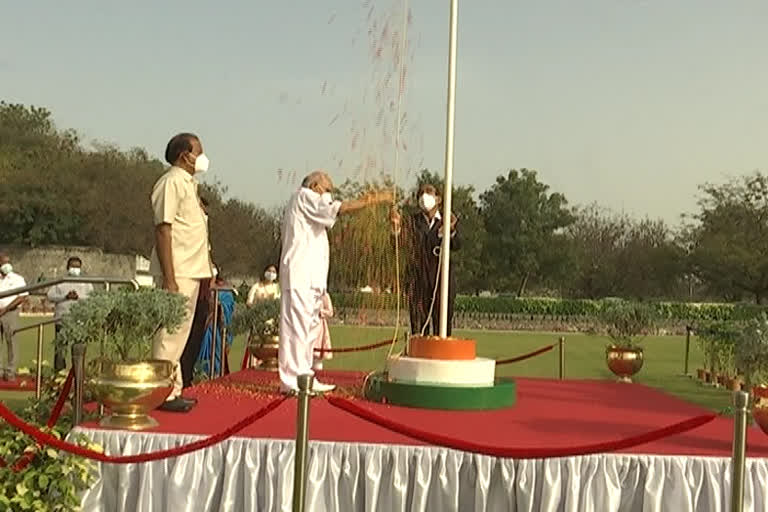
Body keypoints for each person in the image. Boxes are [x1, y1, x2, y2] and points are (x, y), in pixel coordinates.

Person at [279, 170, 391, 393]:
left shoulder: (312, 211)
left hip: (312, 278)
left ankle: (306, 376)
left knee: (310, 329)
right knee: (297, 329)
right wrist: (373, 199)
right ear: (314, 186)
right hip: (300, 275)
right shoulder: (304, 196)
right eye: (327, 189)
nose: (329, 194)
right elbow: (340, 208)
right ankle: (292, 380)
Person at [149, 132, 214, 412]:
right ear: (183, 155)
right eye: (198, 151)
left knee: (180, 335)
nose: (201, 157)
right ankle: (160, 391)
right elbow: (163, 229)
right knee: (169, 334)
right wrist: (170, 277)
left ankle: (172, 389)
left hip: (192, 268)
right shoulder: (171, 182)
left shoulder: (189, 184)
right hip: (178, 269)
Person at [391, 183, 460, 336]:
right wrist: (396, 228)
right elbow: (399, 245)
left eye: (429, 192)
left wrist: (450, 231)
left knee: (442, 328)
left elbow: (457, 245)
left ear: (439, 199)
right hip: (418, 281)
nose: (424, 196)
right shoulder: (411, 222)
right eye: (421, 193)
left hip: (441, 281)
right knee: (418, 327)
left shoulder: (447, 221)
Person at [47, 257, 94, 371]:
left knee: (78, 349)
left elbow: (92, 298)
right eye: (73, 266)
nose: (75, 269)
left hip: (79, 321)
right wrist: (65, 297)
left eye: (77, 267)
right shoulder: (60, 282)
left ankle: (77, 373)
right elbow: (50, 296)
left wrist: (78, 297)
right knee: (60, 350)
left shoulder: (86, 283)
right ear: (68, 267)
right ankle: (59, 373)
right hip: (62, 319)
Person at [196, 271, 236, 376]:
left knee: (216, 353)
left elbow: (228, 310)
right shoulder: (200, 289)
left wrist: (219, 306)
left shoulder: (224, 291)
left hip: (216, 330)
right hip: (202, 328)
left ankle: (215, 374)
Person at [0, 253, 28, 381]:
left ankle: (10, 371)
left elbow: (22, 296)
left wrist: (6, 308)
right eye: (3, 262)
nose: (6, 265)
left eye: (8, 262)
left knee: (11, 342)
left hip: (10, 312)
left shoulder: (17, 279)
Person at [312, 292, 334, 370]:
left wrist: (320, 311)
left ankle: (317, 376)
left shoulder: (324, 295)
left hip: (319, 327)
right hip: (307, 326)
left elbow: (330, 312)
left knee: (317, 356)